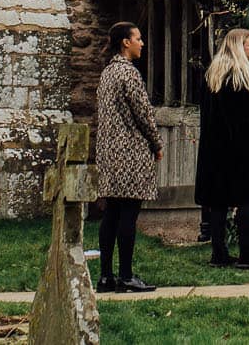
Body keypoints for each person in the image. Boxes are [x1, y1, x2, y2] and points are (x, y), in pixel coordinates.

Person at [93, 20, 161, 294]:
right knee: (128, 215)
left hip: (109, 152)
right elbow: (143, 113)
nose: (142, 43)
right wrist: (156, 143)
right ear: (126, 42)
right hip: (130, 151)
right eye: (138, 39)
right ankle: (126, 275)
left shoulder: (107, 73)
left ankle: (106, 275)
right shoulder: (128, 74)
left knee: (111, 212)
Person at [196, 27, 249, 269]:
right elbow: (248, 116)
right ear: (239, 46)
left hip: (215, 148)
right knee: (246, 198)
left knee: (219, 201)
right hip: (240, 148)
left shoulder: (213, 75)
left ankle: (219, 252)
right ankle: (246, 254)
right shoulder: (243, 77)